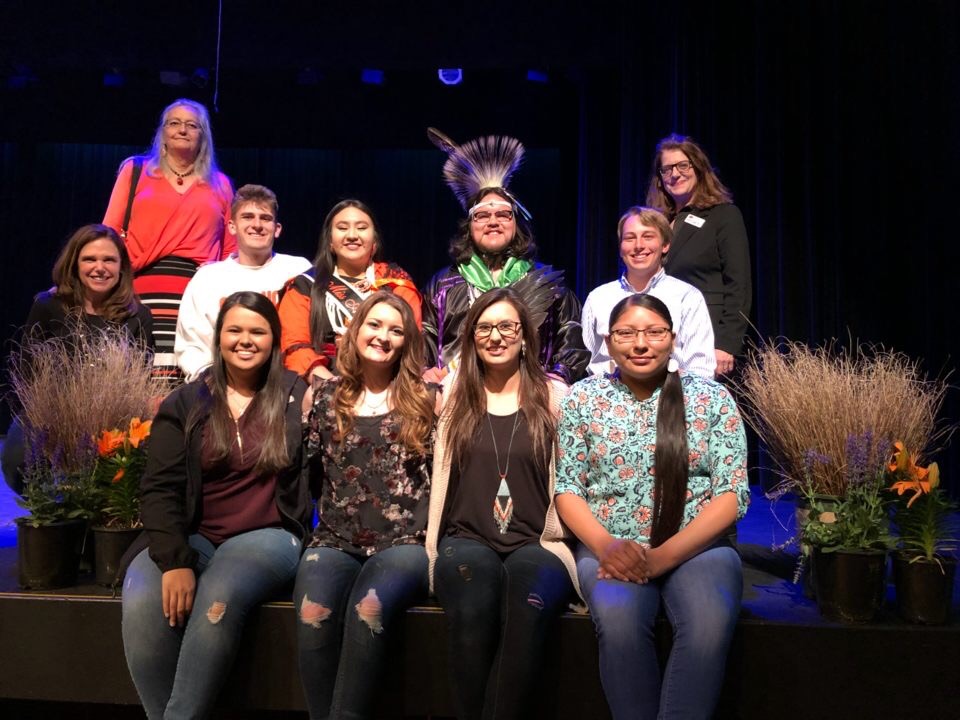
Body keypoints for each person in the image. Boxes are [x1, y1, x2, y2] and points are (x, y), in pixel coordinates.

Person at [555, 294, 749, 720]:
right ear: (608, 340)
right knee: (620, 624)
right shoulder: (583, 399)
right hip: (610, 545)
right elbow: (567, 488)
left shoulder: (711, 399)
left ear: (673, 338)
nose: (640, 344)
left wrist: (662, 558)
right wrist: (607, 547)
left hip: (698, 547)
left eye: (654, 332)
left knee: (706, 627)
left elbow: (733, 493)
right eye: (626, 333)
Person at [120, 292, 312, 720]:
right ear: (219, 337)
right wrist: (174, 561)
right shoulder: (187, 402)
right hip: (195, 534)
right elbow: (160, 487)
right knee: (141, 600)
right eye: (235, 330)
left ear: (274, 340)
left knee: (219, 596)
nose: (246, 341)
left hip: (268, 533)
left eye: (258, 332)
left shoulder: (296, 396)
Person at [426, 287, 578, 720]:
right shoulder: (454, 394)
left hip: (538, 542)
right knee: (473, 611)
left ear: (525, 336)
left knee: (527, 620)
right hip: (466, 536)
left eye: (507, 326)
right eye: (484, 327)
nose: (496, 336)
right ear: (471, 337)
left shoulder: (555, 398)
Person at [294, 290, 435, 719]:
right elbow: (309, 473)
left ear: (407, 343)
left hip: (405, 541)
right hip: (335, 539)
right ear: (356, 332)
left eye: (396, 330)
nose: (383, 336)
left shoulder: (428, 398)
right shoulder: (325, 396)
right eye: (374, 325)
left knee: (366, 611)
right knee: (311, 616)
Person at [423, 128, 588, 384]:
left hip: (528, 399)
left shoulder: (549, 284)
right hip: (458, 397)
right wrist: (426, 371)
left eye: (503, 214)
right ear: (469, 226)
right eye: (482, 215)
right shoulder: (443, 284)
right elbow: (425, 340)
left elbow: (571, 342)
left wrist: (557, 378)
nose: (493, 222)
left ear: (515, 224)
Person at [2, 223, 153, 494]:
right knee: (18, 457)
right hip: (50, 415)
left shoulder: (137, 315)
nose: (100, 267)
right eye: (89, 259)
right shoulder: (48, 306)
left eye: (109, 259)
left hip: (113, 419)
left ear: (122, 267)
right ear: (74, 264)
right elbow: (27, 370)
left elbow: (142, 373)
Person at [104, 98, 235, 383]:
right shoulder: (135, 171)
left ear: (203, 135)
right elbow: (110, 233)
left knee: (189, 377)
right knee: (139, 373)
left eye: (192, 125)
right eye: (174, 123)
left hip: (197, 294)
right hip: (141, 290)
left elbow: (230, 249)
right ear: (162, 132)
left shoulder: (220, 184)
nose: (182, 130)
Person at [175, 184, 310, 381]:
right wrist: (215, 384)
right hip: (222, 386)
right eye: (247, 217)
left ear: (277, 229)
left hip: (288, 383)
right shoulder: (208, 278)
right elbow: (192, 345)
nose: (257, 224)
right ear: (231, 226)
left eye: (265, 218)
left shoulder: (298, 270)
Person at [278, 199, 421, 381]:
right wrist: (327, 385)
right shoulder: (305, 285)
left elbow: (411, 343)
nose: (352, 235)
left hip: (388, 382)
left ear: (374, 241)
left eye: (361, 228)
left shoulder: (397, 283)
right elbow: (294, 345)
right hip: (320, 380)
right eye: (342, 228)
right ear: (330, 240)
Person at [646, 134, 751, 377]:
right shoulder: (658, 222)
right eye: (667, 169)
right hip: (662, 335)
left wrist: (726, 344)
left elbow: (739, 285)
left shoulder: (723, 216)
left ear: (699, 168)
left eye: (683, 165)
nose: (675, 174)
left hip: (707, 336)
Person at [581, 206, 715, 378]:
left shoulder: (687, 297)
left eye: (648, 237)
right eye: (629, 238)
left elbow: (701, 370)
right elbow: (587, 363)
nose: (638, 245)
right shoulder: (598, 298)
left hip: (672, 397)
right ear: (621, 247)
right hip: (609, 398)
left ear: (665, 245)